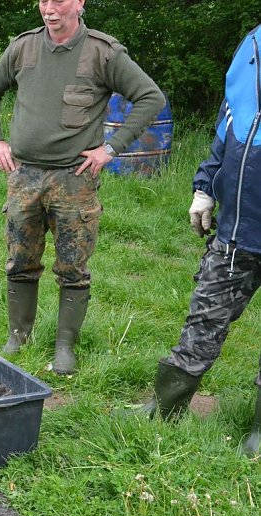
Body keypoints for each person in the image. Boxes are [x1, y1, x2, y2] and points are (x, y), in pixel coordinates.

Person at [0, 0, 165, 374]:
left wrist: (110, 149)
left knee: (73, 266)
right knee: (19, 260)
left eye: (60, 0)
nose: (50, 9)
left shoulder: (102, 52)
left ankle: (65, 348)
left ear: (79, 3)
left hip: (73, 179)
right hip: (24, 177)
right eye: (44, 0)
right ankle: (18, 336)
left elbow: (151, 97)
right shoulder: (23, 46)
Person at [130, 24, 261, 456]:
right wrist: (205, 184)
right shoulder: (251, 45)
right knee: (204, 317)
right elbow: (229, 122)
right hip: (238, 229)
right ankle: (165, 407)